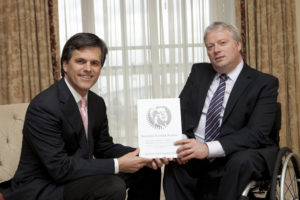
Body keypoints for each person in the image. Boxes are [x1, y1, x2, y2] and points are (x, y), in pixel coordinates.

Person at [0, 33, 164, 200]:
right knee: (111, 187)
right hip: (43, 186)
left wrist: (143, 154)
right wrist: (117, 164)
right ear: (65, 65)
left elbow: (104, 148)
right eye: (80, 61)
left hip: (75, 176)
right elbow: (59, 168)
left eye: (95, 63)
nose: (88, 68)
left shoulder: (96, 103)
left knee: (148, 167)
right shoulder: (44, 106)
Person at [163, 21, 279, 200]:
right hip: (198, 154)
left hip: (237, 153)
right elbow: (180, 112)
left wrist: (207, 149)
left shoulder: (264, 83)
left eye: (222, 43)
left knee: (240, 162)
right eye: (210, 46)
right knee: (175, 164)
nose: (216, 50)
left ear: (238, 45)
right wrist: (184, 143)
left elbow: (256, 134)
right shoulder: (199, 72)